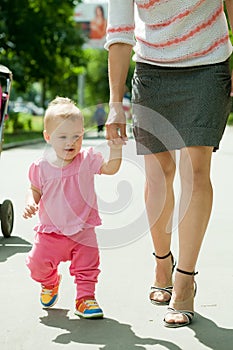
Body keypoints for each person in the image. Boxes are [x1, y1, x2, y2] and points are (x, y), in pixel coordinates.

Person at [104, 0, 233, 328]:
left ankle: (185, 280)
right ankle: (163, 262)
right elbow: (119, 33)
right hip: (152, 71)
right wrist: (115, 104)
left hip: (208, 65)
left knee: (197, 169)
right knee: (158, 176)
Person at [23, 96, 124, 319]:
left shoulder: (87, 160)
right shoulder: (41, 167)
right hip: (51, 233)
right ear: (48, 138)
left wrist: (116, 150)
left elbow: (110, 169)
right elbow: (34, 189)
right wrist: (31, 202)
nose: (71, 142)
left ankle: (85, 299)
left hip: (83, 230)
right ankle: (50, 282)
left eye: (77, 136)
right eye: (63, 137)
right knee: (36, 264)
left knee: (87, 266)